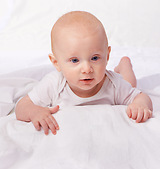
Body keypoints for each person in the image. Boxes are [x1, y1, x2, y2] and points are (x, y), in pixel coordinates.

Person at [15, 11, 153, 135]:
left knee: (130, 82)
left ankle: (124, 65)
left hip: (121, 81)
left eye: (95, 58)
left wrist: (140, 105)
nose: (87, 69)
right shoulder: (54, 84)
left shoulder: (114, 84)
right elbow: (22, 106)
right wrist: (34, 112)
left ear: (107, 55)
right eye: (75, 60)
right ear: (56, 63)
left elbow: (141, 97)